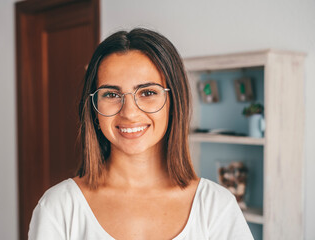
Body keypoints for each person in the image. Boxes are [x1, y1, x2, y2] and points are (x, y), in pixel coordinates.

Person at [28, 28, 254, 240]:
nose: (129, 112)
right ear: (93, 107)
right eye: (111, 94)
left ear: (174, 102)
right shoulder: (58, 207)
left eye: (147, 92)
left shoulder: (217, 206)